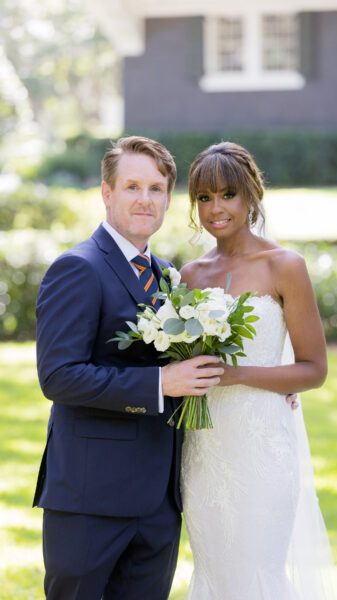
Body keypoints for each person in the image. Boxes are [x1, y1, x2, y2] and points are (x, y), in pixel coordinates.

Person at [32, 135, 224, 600]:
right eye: (132, 186)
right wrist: (161, 382)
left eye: (156, 189)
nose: (145, 199)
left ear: (167, 199)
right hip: (89, 497)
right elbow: (58, 376)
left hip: (159, 500)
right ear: (107, 193)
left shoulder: (167, 275)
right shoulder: (77, 268)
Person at [180, 142, 337, 599]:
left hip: (262, 448)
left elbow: (314, 369)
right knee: (214, 572)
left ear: (251, 196)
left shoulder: (284, 266)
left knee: (257, 571)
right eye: (204, 198)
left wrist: (238, 375)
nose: (215, 209)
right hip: (204, 448)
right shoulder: (189, 275)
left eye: (227, 194)